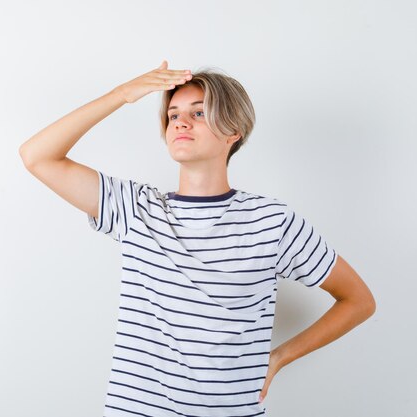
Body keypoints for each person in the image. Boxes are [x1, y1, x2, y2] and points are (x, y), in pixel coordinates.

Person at [19, 60, 376, 417]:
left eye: (199, 113)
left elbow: (358, 301)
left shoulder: (271, 222)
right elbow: (37, 156)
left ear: (233, 130)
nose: (181, 123)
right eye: (173, 115)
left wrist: (280, 357)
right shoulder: (136, 210)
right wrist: (121, 95)